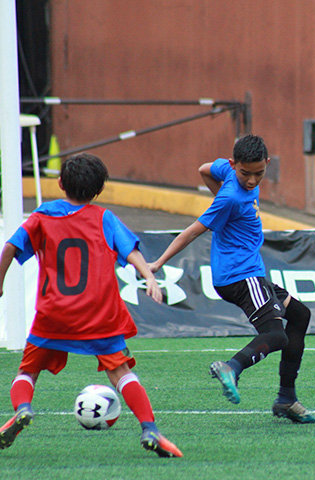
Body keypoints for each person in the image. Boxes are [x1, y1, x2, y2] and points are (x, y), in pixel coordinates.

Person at [0, 153, 182, 457]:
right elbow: (131, 251)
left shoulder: (42, 216)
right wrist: (149, 277)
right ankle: (150, 428)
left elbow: (10, 248)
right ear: (98, 191)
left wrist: (0, 282)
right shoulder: (104, 218)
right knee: (121, 372)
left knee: (28, 371)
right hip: (98, 315)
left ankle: (23, 408)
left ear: (60, 184)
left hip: (53, 314)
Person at [149, 134, 315, 424]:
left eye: (259, 173)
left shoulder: (227, 175)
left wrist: (221, 189)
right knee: (276, 335)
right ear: (233, 164)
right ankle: (232, 367)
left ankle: (286, 399)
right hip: (241, 275)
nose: (251, 181)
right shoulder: (229, 197)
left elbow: (204, 169)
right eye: (245, 174)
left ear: (267, 163)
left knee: (300, 315)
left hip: (244, 274)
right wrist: (159, 262)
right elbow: (191, 232)